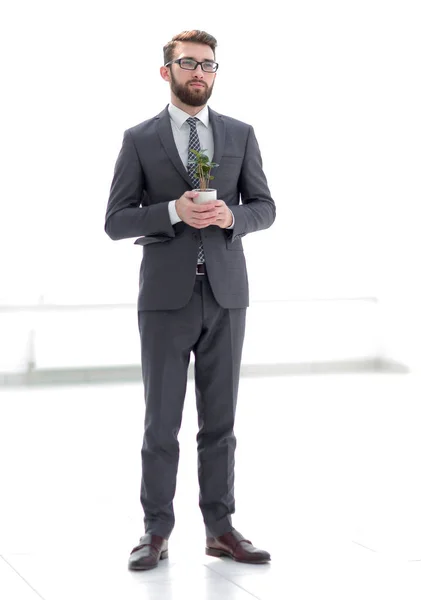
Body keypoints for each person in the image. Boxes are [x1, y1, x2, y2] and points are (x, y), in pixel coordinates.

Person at [105, 29, 276, 571]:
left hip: (226, 294)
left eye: (208, 64)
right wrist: (173, 211)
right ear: (167, 72)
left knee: (220, 421)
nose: (199, 71)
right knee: (161, 422)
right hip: (164, 299)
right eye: (188, 63)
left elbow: (265, 206)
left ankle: (220, 528)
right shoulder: (139, 139)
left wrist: (233, 217)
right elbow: (115, 221)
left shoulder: (241, 135)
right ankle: (155, 531)